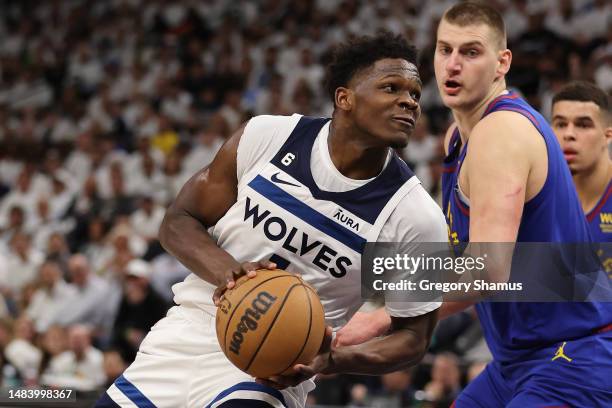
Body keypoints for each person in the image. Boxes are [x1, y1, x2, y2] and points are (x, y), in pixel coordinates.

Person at [96, 31, 447, 408]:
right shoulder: (267, 136)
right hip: (189, 332)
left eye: (414, 94)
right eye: (391, 88)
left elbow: (413, 336)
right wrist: (232, 275)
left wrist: (335, 358)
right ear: (344, 98)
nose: (409, 102)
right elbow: (179, 220)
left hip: (272, 367)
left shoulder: (415, 216)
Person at [336, 2, 612, 407]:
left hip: (576, 356)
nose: (452, 65)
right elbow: (457, 256)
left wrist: (381, 315)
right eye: (444, 49)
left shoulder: (501, 134)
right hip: (515, 362)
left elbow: (486, 268)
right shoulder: (456, 137)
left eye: (470, 52)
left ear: (502, 63)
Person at [551, 81, 612, 275]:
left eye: (583, 125)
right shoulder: (535, 193)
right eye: (560, 124)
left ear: (608, 136)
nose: (569, 134)